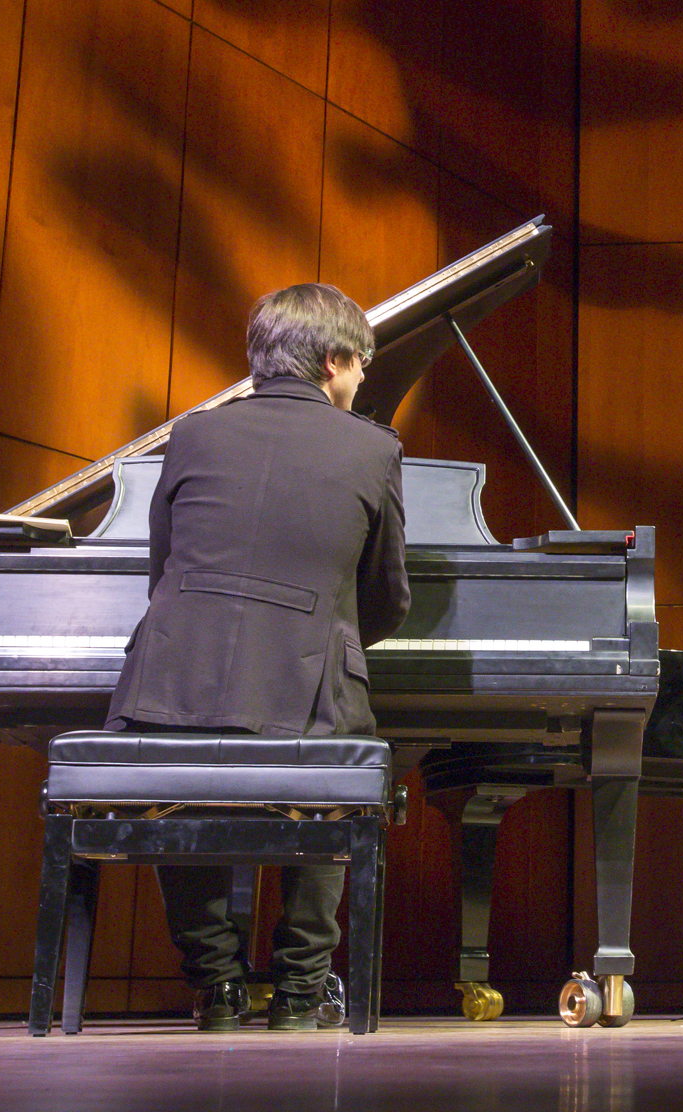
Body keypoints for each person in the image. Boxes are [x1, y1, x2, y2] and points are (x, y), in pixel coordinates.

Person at [105, 282, 411, 1031]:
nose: (365, 378)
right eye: (363, 363)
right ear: (334, 359)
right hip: (307, 678)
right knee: (334, 760)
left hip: (174, 670)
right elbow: (388, 596)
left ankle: (216, 986)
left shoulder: (193, 434)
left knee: (182, 775)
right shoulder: (375, 448)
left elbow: (163, 566)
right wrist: (326, 633)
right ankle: (302, 991)